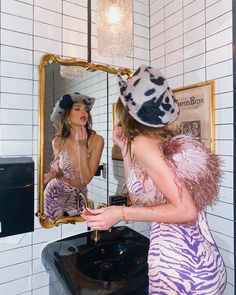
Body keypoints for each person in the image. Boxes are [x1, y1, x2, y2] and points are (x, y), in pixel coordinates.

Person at [82, 65, 227, 294]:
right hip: (197, 264)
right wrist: (125, 149)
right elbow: (139, 197)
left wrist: (120, 213)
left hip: (180, 268)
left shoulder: (144, 144)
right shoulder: (155, 143)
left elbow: (186, 211)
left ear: (128, 111)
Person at [44, 92, 104, 220]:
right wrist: (53, 173)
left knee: (77, 231)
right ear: (67, 117)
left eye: (86, 110)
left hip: (78, 197)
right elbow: (58, 170)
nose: (84, 113)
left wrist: (81, 146)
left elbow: (86, 179)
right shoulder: (58, 141)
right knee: (53, 228)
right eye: (77, 109)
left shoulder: (96, 140)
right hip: (55, 193)